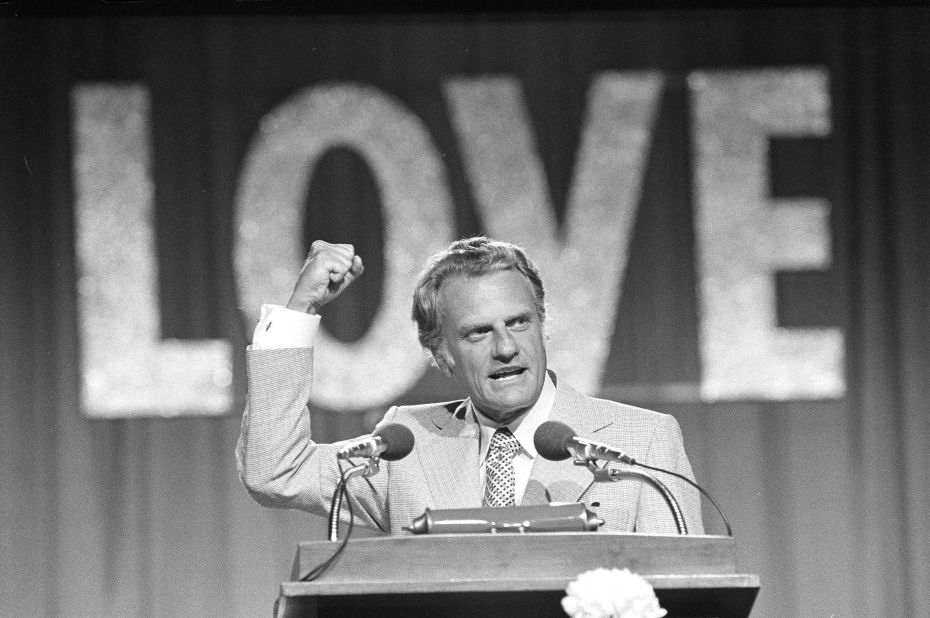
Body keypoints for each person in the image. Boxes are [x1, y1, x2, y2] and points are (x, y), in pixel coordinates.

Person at [236, 237, 703, 535]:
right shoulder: (407, 444)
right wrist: (301, 308)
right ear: (441, 354)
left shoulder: (642, 440)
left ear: (543, 326)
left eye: (519, 323)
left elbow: (686, 591)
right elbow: (275, 471)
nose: (505, 347)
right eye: (478, 332)